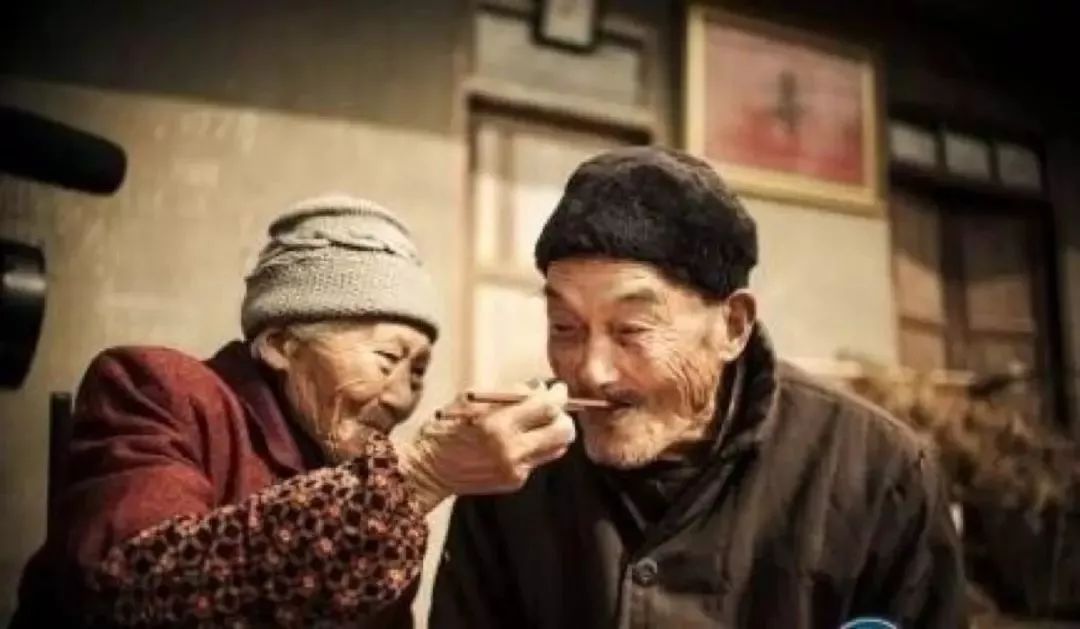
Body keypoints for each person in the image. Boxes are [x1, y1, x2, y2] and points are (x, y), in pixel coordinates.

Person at [430, 147, 967, 628]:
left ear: (732, 326)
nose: (591, 371)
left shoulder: (879, 475)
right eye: (564, 327)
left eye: (631, 330)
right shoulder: (512, 472)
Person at [12, 195, 576, 628]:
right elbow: (131, 591)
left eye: (419, 372)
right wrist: (417, 479)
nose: (402, 398)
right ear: (282, 344)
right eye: (387, 359)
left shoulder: (371, 484)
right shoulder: (158, 390)